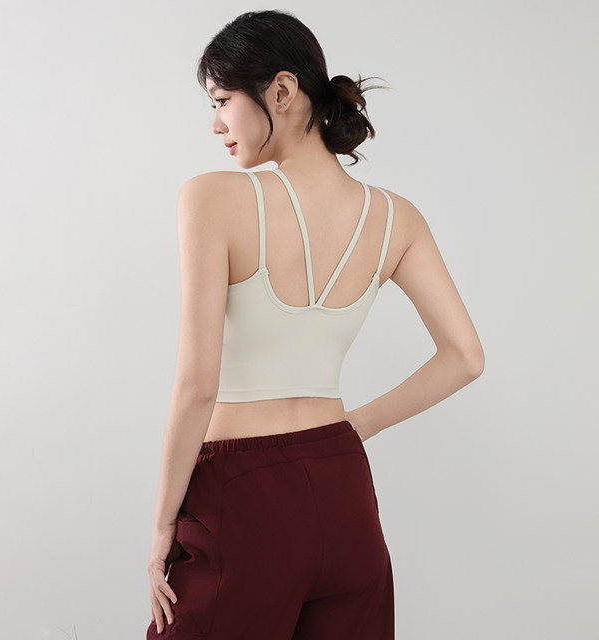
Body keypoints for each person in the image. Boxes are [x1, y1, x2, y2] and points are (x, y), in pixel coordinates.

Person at [146, 9, 484, 639]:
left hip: (240, 496)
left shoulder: (212, 198)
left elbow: (197, 386)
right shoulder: (397, 217)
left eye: (221, 100)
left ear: (281, 90)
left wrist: (164, 522)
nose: (216, 123)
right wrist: (348, 431)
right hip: (343, 491)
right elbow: (465, 356)